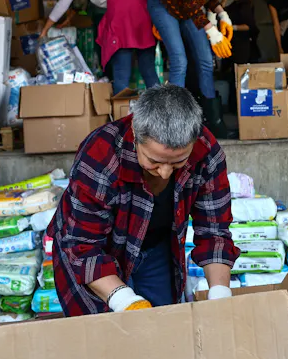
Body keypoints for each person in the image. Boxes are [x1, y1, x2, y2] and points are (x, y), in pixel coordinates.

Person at [48, 84, 239, 315]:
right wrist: (124, 300)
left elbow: (214, 232)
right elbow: (83, 246)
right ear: (136, 135)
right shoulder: (101, 155)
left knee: (164, 330)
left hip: (156, 248)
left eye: (178, 162)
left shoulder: (207, 153)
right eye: (154, 161)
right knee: (105, 341)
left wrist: (220, 294)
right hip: (95, 251)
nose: (165, 172)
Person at [149, 0, 268, 138]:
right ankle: (173, 124)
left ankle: (211, 121)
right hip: (164, 2)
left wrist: (222, 13)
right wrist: (211, 30)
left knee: (205, 60)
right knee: (180, 60)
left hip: (187, 6)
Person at [40, 0, 158, 94]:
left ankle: (121, 114)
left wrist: (45, 29)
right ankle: (163, 110)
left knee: (121, 69)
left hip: (122, 8)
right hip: (143, 4)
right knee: (148, 68)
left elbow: (65, 1)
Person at [221, 0, 260, 65]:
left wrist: (232, 27)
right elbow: (220, 12)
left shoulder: (244, 5)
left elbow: (249, 25)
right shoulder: (235, 4)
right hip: (233, 42)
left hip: (242, 44)